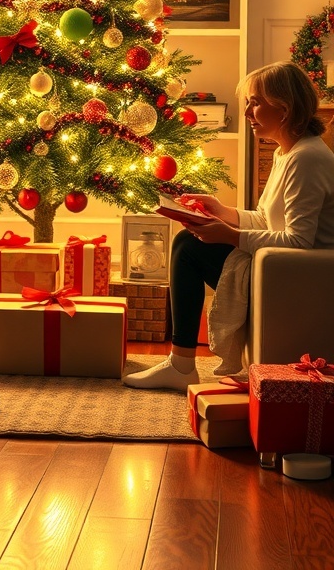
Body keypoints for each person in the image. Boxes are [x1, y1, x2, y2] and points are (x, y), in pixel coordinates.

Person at [123, 61, 334, 391]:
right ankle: (180, 364)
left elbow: (299, 241)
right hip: (281, 267)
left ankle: (180, 365)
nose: (248, 111)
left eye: (256, 102)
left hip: (296, 276)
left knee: (189, 248)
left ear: (285, 107)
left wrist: (232, 236)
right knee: (188, 241)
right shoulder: (287, 153)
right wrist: (222, 211)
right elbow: (267, 219)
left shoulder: (306, 159)